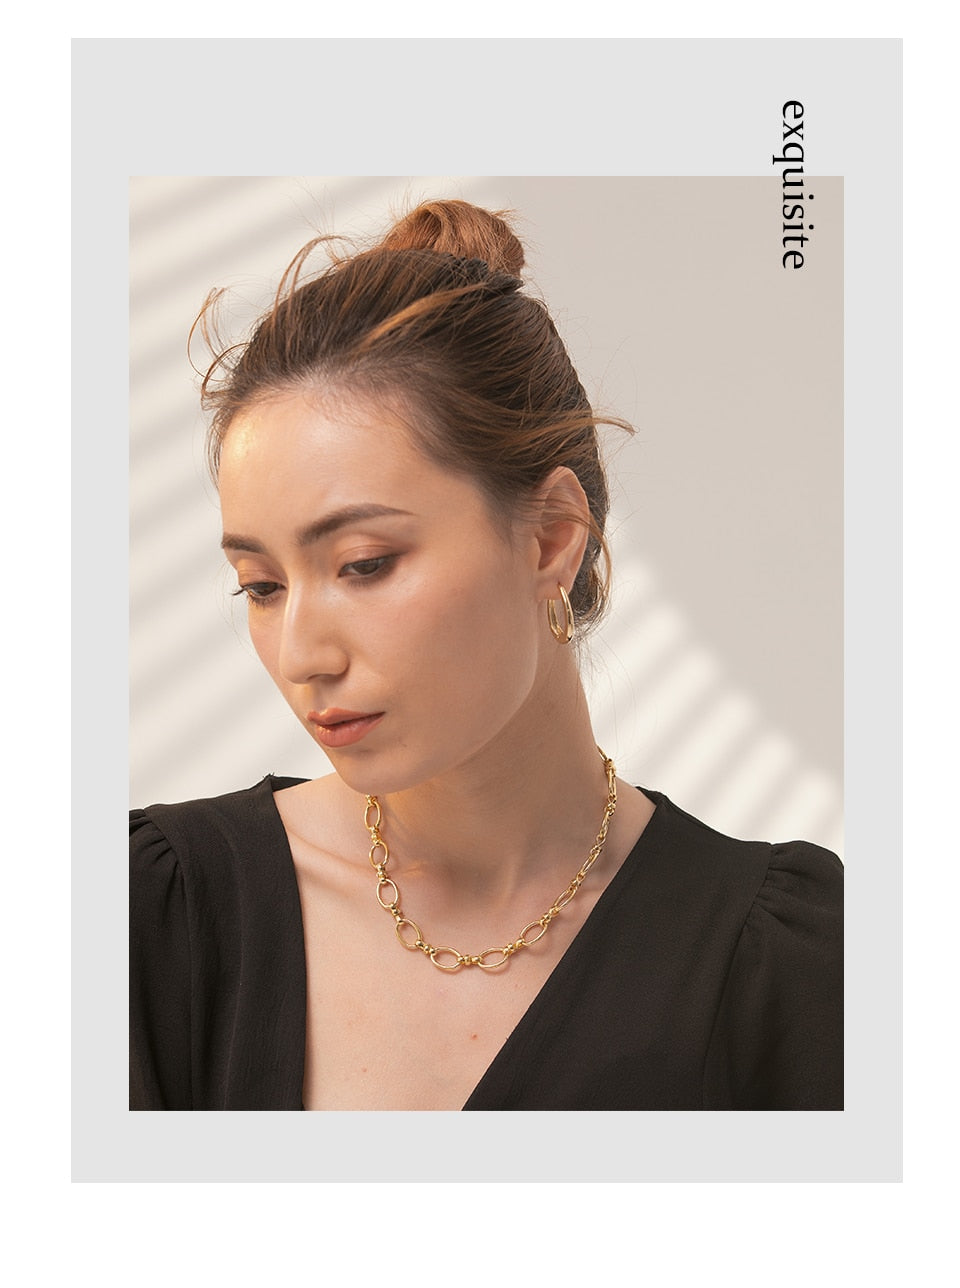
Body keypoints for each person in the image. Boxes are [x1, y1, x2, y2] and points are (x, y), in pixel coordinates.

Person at [129, 199, 843, 1111]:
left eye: (364, 564)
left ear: (551, 536)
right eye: (261, 586)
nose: (302, 655)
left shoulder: (791, 972)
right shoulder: (151, 919)